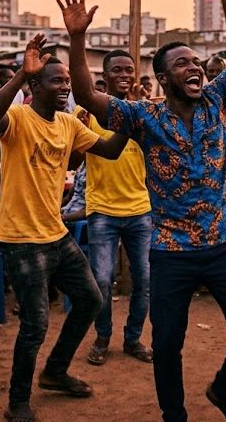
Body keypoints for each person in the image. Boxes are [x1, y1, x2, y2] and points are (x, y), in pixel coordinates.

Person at [65, 0, 226, 422]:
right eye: (182, 64)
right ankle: (174, 416)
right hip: (170, 251)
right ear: (163, 78)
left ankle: (224, 392)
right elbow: (86, 95)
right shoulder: (142, 117)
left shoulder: (218, 99)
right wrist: (78, 39)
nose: (194, 69)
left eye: (196, 62)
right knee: (167, 345)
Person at [0, 31, 130, 422]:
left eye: (66, 81)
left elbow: (110, 150)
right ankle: (18, 401)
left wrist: (132, 118)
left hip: (56, 234)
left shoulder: (68, 124)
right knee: (36, 324)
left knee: (91, 300)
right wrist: (17, 75)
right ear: (34, 85)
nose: (65, 86)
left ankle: (55, 371)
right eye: (56, 80)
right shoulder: (18, 119)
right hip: (21, 239)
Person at [76, 49, 154, 368]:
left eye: (129, 69)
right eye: (117, 69)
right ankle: (103, 336)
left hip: (140, 209)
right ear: (105, 77)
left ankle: (133, 338)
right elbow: (76, 157)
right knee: (103, 279)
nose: (124, 74)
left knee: (145, 279)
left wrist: (142, 112)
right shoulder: (89, 113)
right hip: (103, 211)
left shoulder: (144, 112)